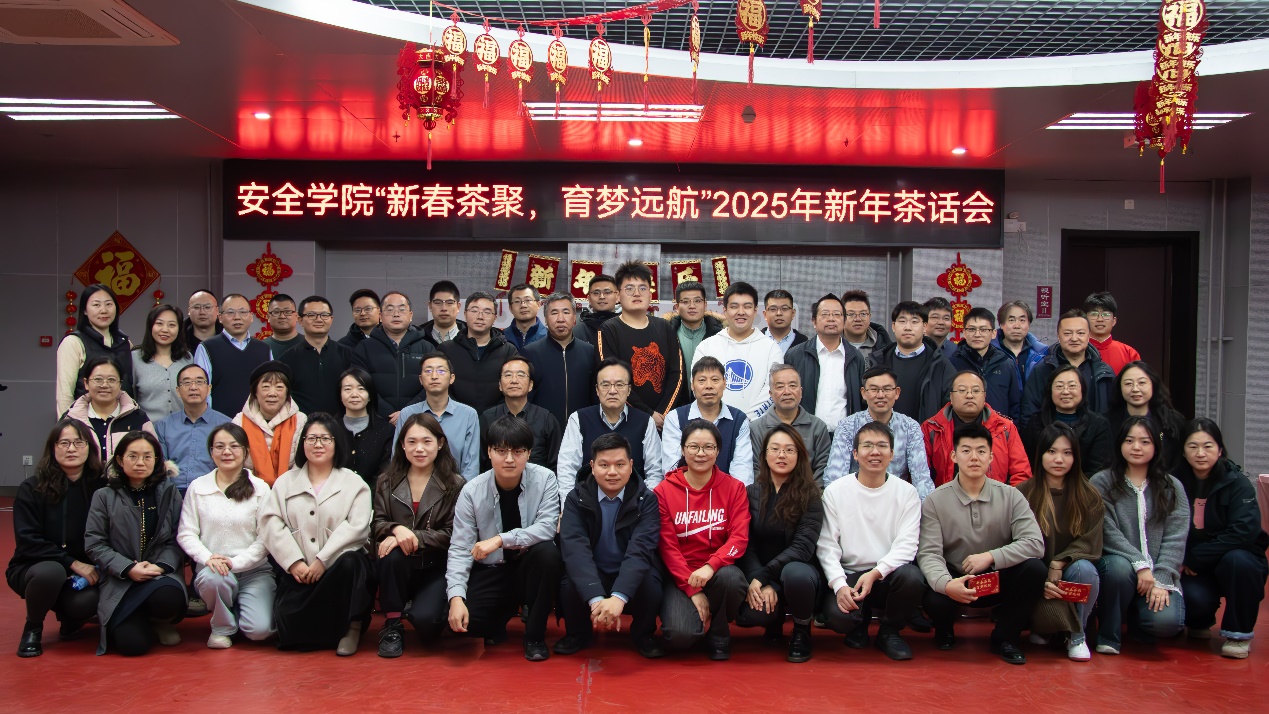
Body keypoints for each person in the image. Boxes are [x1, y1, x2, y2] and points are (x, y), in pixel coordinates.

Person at [917, 423, 1047, 665]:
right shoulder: (935, 500)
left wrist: (991, 556)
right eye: (966, 451)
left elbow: (1034, 543)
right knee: (931, 591)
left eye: (981, 451)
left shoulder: (1011, 496)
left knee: (1035, 569)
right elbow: (929, 553)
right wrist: (947, 584)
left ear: (991, 457)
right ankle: (944, 629)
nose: (974, 457)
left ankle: (1006, 637)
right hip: (957, 579)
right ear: (954, 456)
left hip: (998, 578)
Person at [446, 417, 564, 661]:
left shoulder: (545, 479)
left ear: (529, 453)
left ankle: (534, 636)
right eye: (501, 451)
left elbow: (547, 528)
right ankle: (498, 619)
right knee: (469, 623)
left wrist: (500, 539)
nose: (509, 459)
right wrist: (456, 597)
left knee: (548, 553)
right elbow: (460, 548)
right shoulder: (472, 491)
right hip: (493, 569)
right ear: (489, 452)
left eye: (518, 451)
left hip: (529, 566)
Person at [260, 415, 374, 654]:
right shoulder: (285, 482)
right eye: (311, 438)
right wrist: (294, 562)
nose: (318, 444)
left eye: (325, 438)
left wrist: (323, 560)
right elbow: (270, 523)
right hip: (300, 572)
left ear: (337, 443)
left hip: (337, 572)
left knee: (352, 562)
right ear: (302, 443)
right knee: (290, 632)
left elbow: (357, 527)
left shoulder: (355, 483)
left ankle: (351, 628)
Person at [817, 421, 924, 661]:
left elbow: (907, 545)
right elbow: (827, 545)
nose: (875, 452)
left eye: (882, 446)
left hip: (889, 575)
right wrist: (839, 584)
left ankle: (890, 631)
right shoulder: (836, 491)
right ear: (855, 454)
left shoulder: (907, 492)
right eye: (867, 446)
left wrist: (876, 573)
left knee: (912, 577)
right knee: (838, 618)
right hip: (850, 574)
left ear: (892, 454)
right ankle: (859, 625)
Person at [555, 433, 665, 659]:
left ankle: (643, 634)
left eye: (620, 465)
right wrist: (596, 600)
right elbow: (576, 550)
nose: (612, 472)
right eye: (604, 465)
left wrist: (619, 597)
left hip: (627, 569)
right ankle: (578, 634)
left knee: (650, 583)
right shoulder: (576, 498)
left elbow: (640, 550)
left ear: (631, 466)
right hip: (594, 570)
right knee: (569, 583)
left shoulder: (647, 500)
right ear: (592, 466)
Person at [1090, 417, 1189, 655]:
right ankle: (1109, 635)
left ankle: (1139, 622)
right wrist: (1139, 563)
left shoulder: (1171, 486)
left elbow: (1176, 536)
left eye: (1145, 442)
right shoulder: (1102, 481)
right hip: (1120, 566)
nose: (1136, 447)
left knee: (1166, 623)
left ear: (1156, 446)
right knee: (1118, 569)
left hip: (1156, 574)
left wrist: (1161, 577)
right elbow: (1106, 529)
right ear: (1119, 444)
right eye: (1129, 440)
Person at [654, 419, 750, 660]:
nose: (700, 453)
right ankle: (693, 619)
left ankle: (719, 631)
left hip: (717, 572)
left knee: (732, 578)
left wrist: (711, 566)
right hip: (680, 576)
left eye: (708, 447)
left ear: (718, 451)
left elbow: (738, 538)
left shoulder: (735, 488)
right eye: (693, 447)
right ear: (683, 450)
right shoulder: (663, 491)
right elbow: (667, 547)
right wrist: (692, 589)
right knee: (680, 636)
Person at [9, 420, 105, 657]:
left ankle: (69, 617)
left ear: (89, 448)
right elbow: (28, 541)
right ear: (52, 448)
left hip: (86, 571)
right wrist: (72, 563)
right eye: (64, 443)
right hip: (36, 566)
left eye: (78, 442)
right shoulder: (33, 488)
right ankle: (33, 627)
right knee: (51, 573)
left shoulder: (102, 488)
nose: (71, 449)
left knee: (85, 603)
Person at [84, 431, 185, 655]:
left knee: (168, 598)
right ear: (120, 460)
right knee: (132, 646)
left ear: (157, 460)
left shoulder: (168, 492)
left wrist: (160, 566)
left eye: (148, 457)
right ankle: (135, 617)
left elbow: (179, 537)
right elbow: (95, 543)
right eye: (133, 456)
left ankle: (160, 621)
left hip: (158, 574)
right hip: (120, 577)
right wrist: (128, 567)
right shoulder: (104, 495)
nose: (140, 462)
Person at [1175, 419, 1268, 659]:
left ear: (1219, 450)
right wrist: (1182, 558)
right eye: (1193, 446)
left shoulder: (1237, 482)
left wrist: (1195, 557)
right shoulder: (1173, 482)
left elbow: (1243, 532)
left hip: (1232, 557)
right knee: (1194, 601)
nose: (1201, 453)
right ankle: (1200, 620)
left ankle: (1238, 635)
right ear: (1183, 451)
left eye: (1208, 446)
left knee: (1240, 562)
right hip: (1194, 564)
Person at [176, 423, 275, 649]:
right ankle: (221, 627)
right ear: (211, 452)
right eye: (219, 446)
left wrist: (235, 563)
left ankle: (236, 608)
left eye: (234, 446)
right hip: (213, 569)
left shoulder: (260, 488)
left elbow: (266, 538)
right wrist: (208, 558)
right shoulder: (198, 487)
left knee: (259, 631)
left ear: (245, 452)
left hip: (254, 571)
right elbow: (186, 533)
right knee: (215, 579)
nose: (226, 452)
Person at [373, 413, 463, 658]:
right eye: (411, 442)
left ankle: (424, 608)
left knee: (428, 624)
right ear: (402, 445)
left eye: (427, 441)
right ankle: (392, 625)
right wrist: (395, 529)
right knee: (390, 554)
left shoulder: (456, 484)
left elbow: (453, 534)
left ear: (440, 443)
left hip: (435, 567)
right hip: (398, 566)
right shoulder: (386, 481)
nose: (419, 448)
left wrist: (412, 536)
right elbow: (377, 523)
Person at [734, 425, 824, 663]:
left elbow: (802, 548)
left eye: (789, 450)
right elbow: (745, 542)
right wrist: (757, 578)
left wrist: (764, 577)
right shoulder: (749, 492)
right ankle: (773, 622)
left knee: (796, 574)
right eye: (775, 449)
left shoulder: (811, 495)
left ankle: (802, 630)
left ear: (800, 455)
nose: (781, 455)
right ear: (764, 455)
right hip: (761, 575)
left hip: (798, 572)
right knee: (751, 615)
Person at [1016, 423, 1104, 662]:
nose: (1059, 459)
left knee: (1085, 569)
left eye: (1067, 453)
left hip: (1071, 575)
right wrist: (1042, 577)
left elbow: (1091, 540)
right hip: (1038, 579)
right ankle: (1049, 628)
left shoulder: (1089, 495)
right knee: (1045, 622)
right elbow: (1016, 541)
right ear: (1040, 454)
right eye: (1052, 451)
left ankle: (1077, 636)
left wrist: (1059, 563)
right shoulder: (1023, 493)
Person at [557, 359, 662, 506]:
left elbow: (655, 471)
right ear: (597, 390)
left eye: (619, 385)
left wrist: (646, 505)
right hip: (587, 505)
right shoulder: (579, 419)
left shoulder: (645, 422)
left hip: (634, 505)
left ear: (629, 390)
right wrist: (569, 507)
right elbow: (567, 469)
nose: (612, 391)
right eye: (605, 385)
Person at [597, 262, 683, 427]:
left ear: (650, 295)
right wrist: (647, 414)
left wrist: (663, 414)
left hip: (664, 420)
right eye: (629, 288)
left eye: (643, 288)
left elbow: (677, 374)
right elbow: (610, 378)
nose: (637, 293)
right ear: (617, 295)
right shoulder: (608, 330)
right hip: (624, 419)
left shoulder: (665, 327)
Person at [828, 366, 933, 498]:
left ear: (897, 392)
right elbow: (835, 476)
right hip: (855, 498)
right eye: (874, 389)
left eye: (887, 389)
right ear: (863, 393)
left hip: (897, 500)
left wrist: (926, 508)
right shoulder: (847, 426)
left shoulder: (910, 427)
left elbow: (921, 477)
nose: (880, 395)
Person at [693, 281, 784, 420]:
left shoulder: (771, 348)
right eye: (734, 307)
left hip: (758, 426)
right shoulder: (706, 347)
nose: (741, 312)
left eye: (747, 307)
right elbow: (698, 387)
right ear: (725, 310)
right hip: (714, 425)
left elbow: (773, 390)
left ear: (755, 311)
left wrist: (744, 421)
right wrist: (722, 420)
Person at [923, 371, 1032, 487]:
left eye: (975, 391)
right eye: (962, 390)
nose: (969, 395)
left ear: (984, 396)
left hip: (996, 496)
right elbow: (921, 475)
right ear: (951, 396)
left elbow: (1021, 473)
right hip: (946, 496)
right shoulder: (931, 428)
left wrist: (1007, 497)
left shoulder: (1005, 428)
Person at [662, 356, 754, 486]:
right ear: (692, 385)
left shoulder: (739, 420)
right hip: (686, 493)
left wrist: (725, 495)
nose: (709, 386)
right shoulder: (675, 418)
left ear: (725, 383)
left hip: (727, 494)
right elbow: (672, 468)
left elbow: (743, 471)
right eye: (702, 380)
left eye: (715, 380)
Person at [350, 291, 437, 423]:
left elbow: (435, 383)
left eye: (402, 309)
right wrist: (387, 414)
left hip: (417, 421)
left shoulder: (427, 348)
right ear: (380, 316)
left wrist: (408, 412)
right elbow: (359, 384)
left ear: (410, 315)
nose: (396, 314)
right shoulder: (364, 348)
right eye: (390, 310)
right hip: (377, 421)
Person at [392, 352, 480, 480]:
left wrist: (464, 491)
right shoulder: (407, 414)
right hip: (414, 486)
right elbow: (397, 458)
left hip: (456, 487)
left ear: (452, 378)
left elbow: (471, 466)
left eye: (441, 371)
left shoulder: (468, 414)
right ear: (421, 379)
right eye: (428, 371)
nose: (434, 376)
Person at [784, 293, 866, 430]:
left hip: (844, 435)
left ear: (844, 321)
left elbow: (860, 401)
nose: (831, 319)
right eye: (825, 314)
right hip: (805, 434)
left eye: (837, 314)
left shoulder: (856, 357)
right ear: (814, 321)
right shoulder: (795, 355)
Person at [1021, 309, 1114, 427]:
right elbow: (1029, 412)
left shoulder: (1104, 372)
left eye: (1080, 333)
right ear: (1058, 336)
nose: (1074, 338)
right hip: (1052, 436)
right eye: (1067, 333)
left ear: (1088, 336)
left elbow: (1113, 413)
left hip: (1095, 436)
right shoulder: (1043, 369)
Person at [522, 292, 598, 430]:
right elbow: (526, 398)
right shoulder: (530, 353)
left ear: (574, 318)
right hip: (542, 432)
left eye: (566, 312)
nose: (560, 319)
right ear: (545, 319)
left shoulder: (590, 352)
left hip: (582, 429)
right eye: (554, 313)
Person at [1020, 364, 1113, 476]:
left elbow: (1099, 471)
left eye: (1072, 386)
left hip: (1084, 486)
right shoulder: (1036, 422)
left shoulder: (1099, 425)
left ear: (1082, 389)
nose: (1065, 391)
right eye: (1059, 386)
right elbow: (1028, 463)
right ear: (1050, 391)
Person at [871, 301, 955, 424]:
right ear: (893, 326)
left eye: (914, 322)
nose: (908, 327)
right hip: (883, 433)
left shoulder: (940, 364)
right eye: (902, 321)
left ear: (924, 327)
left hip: (926, 434)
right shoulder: (879, 361)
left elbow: (951, 406)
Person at [56, 284, 133, 416]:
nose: (104, 310)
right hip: (86, 421)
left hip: (123, 420)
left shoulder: (126, 344)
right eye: (96, 305)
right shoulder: (73, 342)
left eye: (109, 304)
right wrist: (67, 425)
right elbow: (65, 394)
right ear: (85, 310)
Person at [155, 364, 232, 495]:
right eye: (187, 383)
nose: (193, 387)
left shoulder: (226, 425)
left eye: (199, 382)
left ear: (209, 388)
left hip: (213, 492)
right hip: (173, 493)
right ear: (178, 391)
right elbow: (160, 468)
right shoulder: (163, 426)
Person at [749, 365, 832, 486]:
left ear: (801, 391)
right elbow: (756, 470)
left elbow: (822, 469)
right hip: (768, 494)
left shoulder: (817, 427)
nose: (787, 392)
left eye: (792, 386)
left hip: (808, 494)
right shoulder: (756, 428)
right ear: (771, 394)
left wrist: (809, 495)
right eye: (780, 387)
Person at [440, 291, 520, 414]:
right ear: (465, 314)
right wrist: (459, 413)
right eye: (474, 310)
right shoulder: (446, 349)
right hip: (455, 416)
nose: (480, 316)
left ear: (495, 318)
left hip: (498, 419)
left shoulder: (509, 351)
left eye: (487, 312)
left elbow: (515, 387)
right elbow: (440, 387)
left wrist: (494, 415)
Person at [63, 356, 155, 461]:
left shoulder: (138, 418)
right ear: (86, 383)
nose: (105, 385)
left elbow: (153, 457)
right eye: (98, 379)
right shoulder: (71, 419)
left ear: (120, 384)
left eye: (111, 380)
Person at [193, 293, 273, 415]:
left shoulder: (264, 349)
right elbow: (201, 390)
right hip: (220, 422)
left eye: (243, 312)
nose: (237, 317)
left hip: (258, 421)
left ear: (251, 317)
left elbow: (271, 388)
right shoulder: (207, 348)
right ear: (220, 317)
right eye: (230, 312)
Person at [479, 356, 562, 472]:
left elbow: (556, 464)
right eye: (508, 375)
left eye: (521, 375)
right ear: (500, 385)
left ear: (531, 385)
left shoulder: (546, 419)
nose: (514, 380)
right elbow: (480, 464)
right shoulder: (487, 418)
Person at [231, 361, 306, 486]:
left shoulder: (300, 420)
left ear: (287, 392)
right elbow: (235, 464)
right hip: (249, 489)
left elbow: (302, 463)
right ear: (255, 392)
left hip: (291, 488)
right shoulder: (239, 421)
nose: (272, 393)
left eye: (279, 387)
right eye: (266, 387)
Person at [1106, 361, 1187, 473]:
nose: (1135, 389)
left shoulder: (1173, 421)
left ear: (1153, 384)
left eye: (1142, 383)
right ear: (1120, 387)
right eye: (1128, 383)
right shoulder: (1107, 422)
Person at [279, 295, 354, 416]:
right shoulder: (287, 358)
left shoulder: (347, 354)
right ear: (300, 320)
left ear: (331, 319)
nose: (319, 319)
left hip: (341, 424)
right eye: (311, 315)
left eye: (324, 315)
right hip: (302, 424)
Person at [948, 307, 1021, 422]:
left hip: (999, 429)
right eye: (972, 329)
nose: (977, 334)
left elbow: (1015, 405)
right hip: (961, 428)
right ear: (964, 332)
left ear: (993, 333)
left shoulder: (1006, 363)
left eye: (983, 329)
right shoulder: (952, 363)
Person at [130, 303, 194, 422]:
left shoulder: (187, 358)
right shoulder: (135, 358)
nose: (165, 330)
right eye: (159, 324)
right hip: (147, 429)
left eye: (172, 325)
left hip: (182, 428)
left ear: (179, 329)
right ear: (151, 326)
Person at [338, 367, 393, 488]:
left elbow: (385, 473)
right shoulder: (330, 428)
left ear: (370, 395)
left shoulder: (386, 430)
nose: (354, 394)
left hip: (373, 496)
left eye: (361, 389)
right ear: (340, 395)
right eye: (347, 389)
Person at [669, 280, 722, 390]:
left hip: (710, 397)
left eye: (697, 301)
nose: (692, 306)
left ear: (705, 305)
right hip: (675, 399)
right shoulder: (667, 335)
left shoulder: (719, 335)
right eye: (685, 302)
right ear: (677, 307)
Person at [1084, 292, 1141, 375]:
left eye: (1106, 314)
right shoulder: (1077, 350)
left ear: (1114, 321)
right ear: (1085, 320)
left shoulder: (1129, 353)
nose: (1100, 319)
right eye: (1094, 314)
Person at [993, 300, 1047, 387]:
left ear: (1028, 324)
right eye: (1011, 320)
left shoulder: (1042, 355)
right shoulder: (990, 353)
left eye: (1022, 320)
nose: (1017, 326)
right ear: (1002, 324)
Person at [842, 289, 893, 369]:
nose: (858, 319)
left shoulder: (885, 348)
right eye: (851, 314)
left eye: (863, 314)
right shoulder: (832, 346)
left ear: (869, 316)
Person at [573, 273, 620, 345]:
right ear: (589, 298)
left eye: (607, 292)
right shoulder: (578, 329)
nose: (602, 297)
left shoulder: (628, 324)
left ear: (618, 296)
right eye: (596, 293)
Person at [761, 289, 808, 356]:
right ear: (765, 314)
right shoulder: (754, 341)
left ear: (793, 313)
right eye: (773, 309)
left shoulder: (805, 345)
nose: (779, 313)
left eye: (784, 309)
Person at [419, 280, 465, 344]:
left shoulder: (471, 338)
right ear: (430, 306)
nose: (444, 308)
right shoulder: (417, 338)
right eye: (438, 302)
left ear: (458, 307)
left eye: (449, 303)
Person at [504, 283, 547, 350]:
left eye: (528, 300)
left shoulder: (550, 338)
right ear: (510, 308)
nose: (523, 305)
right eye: (517, 301)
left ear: (538, 305)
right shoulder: (501, 338)